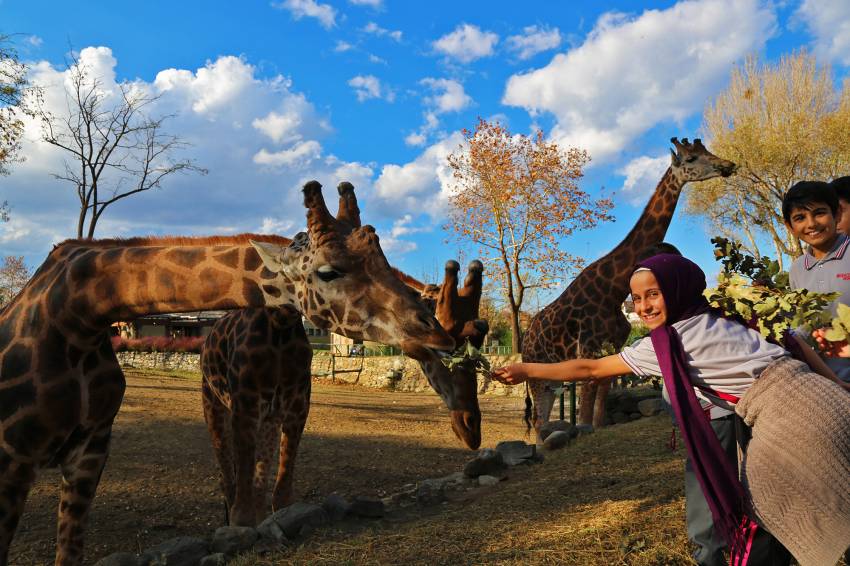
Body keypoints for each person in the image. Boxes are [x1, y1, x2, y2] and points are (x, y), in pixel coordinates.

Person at [492, 254, 850, 566]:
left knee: (761, 507)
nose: (644, 306)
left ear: (677, 290)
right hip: (827, 399)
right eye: (636, 298)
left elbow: (592, 368)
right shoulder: (729, 314)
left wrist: (527, 369)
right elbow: (796, 342)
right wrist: (839, 388)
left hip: (789, 417)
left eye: (653, 294)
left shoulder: (666, 341)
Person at [783, 180, 850, 382]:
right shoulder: (796, 269)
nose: (811, 223)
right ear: (790, 226)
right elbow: (801, 328)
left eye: (819, 212)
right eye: (800, 217)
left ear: (836, 214)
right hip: (829, 387)